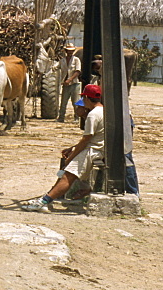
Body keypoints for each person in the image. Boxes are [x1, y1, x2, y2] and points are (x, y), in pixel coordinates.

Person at [23, 84, 103, 213]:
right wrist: (73, 148)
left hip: (92, 150)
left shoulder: (92, 115)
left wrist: (70, 158)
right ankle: (47, 197)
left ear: (87, 98)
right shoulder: (103, 111)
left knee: (68, 176)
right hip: (97, 148)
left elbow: (86, 140)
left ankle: (44, 202)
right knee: (68, 174)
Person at [56, 43, 82, 123]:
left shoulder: (76, 60)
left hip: (74, 84)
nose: (70, 52)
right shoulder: (62, 60)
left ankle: (77, 118)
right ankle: (61, 118)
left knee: (76, 102)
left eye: (72, 51)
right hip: (66, 85)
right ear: (66, 51)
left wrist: (69, 79)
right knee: (63, 102)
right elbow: (55, 67)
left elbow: (78, 71)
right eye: (69, 51)